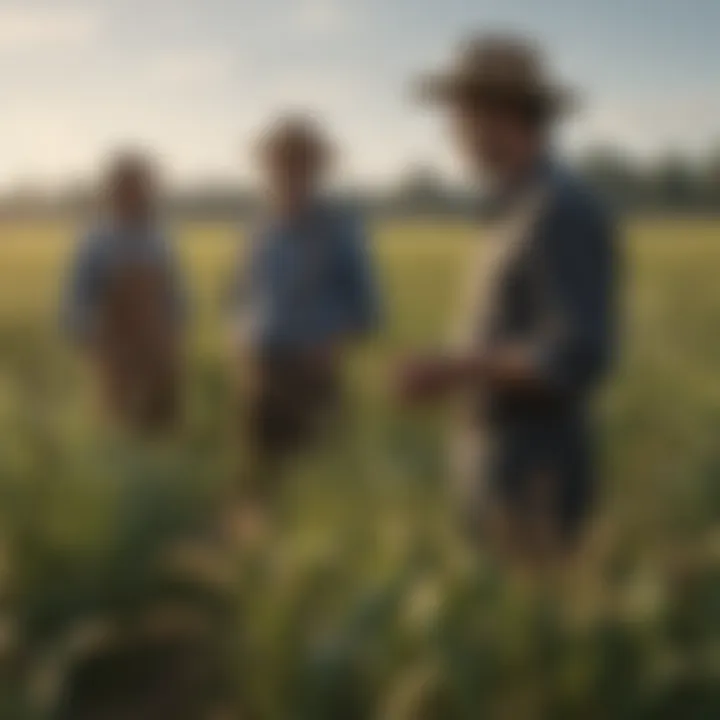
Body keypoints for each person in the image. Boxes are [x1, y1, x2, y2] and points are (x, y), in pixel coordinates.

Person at [398, 35, 618, 562]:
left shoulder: (558, 210)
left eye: (461, 116)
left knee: (526, 631)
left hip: (534, 468)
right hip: (497, 454)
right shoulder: (511, 206)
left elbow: (574, 355)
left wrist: (452, 371)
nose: (454, 132)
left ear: (504, 115)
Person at [232, 114, 380, 491]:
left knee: (319, 475)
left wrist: (331, 339)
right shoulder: (261, 229)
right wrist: (242, 338)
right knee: (261, 472)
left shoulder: (339, 228)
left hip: (312, 371)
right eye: (280, 164)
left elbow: (366, 305)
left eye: (299, 164)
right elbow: (241, 294)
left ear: (315, 170)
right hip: (261, 369)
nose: (288, 174)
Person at [62, 151, 188, 433]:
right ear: (112, 192)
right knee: (118, 426)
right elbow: (76, 300)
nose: (135, 195)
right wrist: (94, 343)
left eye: (141, 187)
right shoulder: (95, 241)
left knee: (160, 426)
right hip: (116, 353)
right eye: (126, 188)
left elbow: (175, 293)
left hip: (158, 350)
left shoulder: (159, 238)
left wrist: (175, 337)